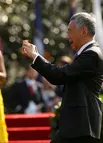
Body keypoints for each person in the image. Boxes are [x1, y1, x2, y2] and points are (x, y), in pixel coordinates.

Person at [22, 12, 103, 143]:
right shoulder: (88, 53)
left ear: (83, 31)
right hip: (77, 126)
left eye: (70, 31)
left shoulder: (91, 54)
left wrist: (36, 56)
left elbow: (59, 75)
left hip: (82, 126)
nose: (68, 36)